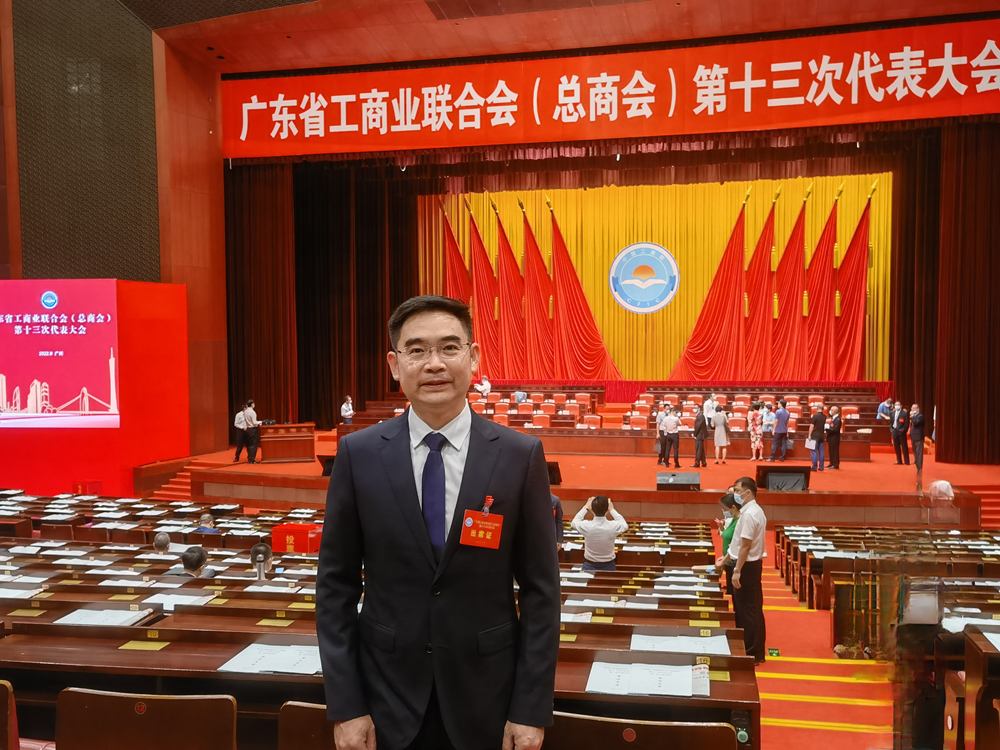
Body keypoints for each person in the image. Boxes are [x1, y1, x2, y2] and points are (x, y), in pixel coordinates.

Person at [318, 295, 559, 750]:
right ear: (395, 365)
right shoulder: (358, 454)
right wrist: (346, 706)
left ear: (474, 357)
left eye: (449, 348)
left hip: (489, 700)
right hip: (385, 699)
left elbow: (541, 593)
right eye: (417, 350)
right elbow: (335, 588)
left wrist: (530, 708)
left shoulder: (519, 455)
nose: (434, 364)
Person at [719, 477, 768, 664]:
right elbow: (737, 542)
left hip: (746, 566)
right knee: (752, 608)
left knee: (747, 611)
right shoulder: (755, 510)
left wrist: (737, 570)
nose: (735, 494)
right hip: (751, 564)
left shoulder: (748, 515)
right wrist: (725, 559)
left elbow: (745, 546)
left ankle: (750, 651)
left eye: (738, 491)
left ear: (748, 492)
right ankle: (755, 650)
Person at [570, 495, 628, 572]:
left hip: (589, 566)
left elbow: (574, 523)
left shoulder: (587, 526)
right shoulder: (612, 526)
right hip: (609, 566)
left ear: (592, 509)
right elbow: (624, 525)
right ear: (607, 509)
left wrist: (585, 507)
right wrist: (612, 510)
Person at [713, 493, 741, 596]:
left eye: (725, 509)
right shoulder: (733, 520)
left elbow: (738, 546)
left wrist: (724, 560)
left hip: (736, 562)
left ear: (733, 507)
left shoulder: (740, 522)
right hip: (728, 560)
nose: (724, 511)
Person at [807, 405, 826, 472]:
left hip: (815, 435)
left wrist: (809, 435)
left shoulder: (815, 416)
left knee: (814, 451)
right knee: (821, 451)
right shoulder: (824, 417)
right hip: (821, 435)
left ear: (817, 409)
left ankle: (814, 467)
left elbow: (811, 426)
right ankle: (821, 467)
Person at [891, 401, 911, 466]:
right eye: (896, 404)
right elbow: (891, 422)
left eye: (898, 404)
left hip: (902, 432)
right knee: (896, 447)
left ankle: (906, 461)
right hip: (894, 431)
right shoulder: (892, 413)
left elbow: (906, 424)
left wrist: (903, 431)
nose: (897, 406)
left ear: (901, 406)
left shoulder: (904, 413)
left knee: (904, 447)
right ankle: (899, 460)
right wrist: (892, 430)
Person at [244, 398, 263, 464]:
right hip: (253, 429)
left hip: (248, 429)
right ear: (252, 404)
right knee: (254, 445)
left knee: (249, 444)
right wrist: (261, 422)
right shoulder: (252, 412)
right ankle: (252, 459)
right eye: (253, 403)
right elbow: (254, 422)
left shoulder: (245, 411)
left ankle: (250, 458)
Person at [691, 403, 708, 468]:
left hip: (700, 434)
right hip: (700, 434)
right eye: (693, 408)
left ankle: (697, 463)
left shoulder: (700, 415)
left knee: (698, 449)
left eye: (695, 408)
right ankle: (704, 462)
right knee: (701, 449)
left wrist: (694, 434)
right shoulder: (699, 415)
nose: (694, 409)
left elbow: (698, 426)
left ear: (699, 408)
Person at [910, 404, 925, 474]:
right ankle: (917, 464)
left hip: (919, 437)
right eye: (912, 408)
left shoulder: (920, 416)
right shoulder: (913, 417)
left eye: (914, 408)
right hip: (913, 437)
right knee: (915, 453)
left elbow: (916, 423)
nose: (913, 410)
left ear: (918, 409)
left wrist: (912, 416)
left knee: (919, 453)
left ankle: (919, 468)